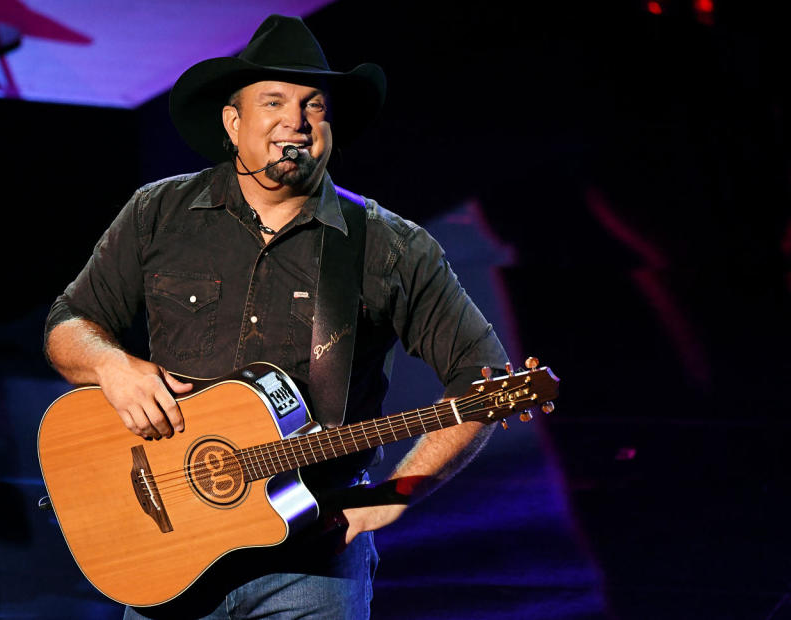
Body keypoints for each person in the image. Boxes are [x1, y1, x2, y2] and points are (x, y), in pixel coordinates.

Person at [44, 14, 507, 619]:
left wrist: (400, 492)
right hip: (166, 555)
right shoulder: (159, 211)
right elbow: (69, 322)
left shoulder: (389, 245)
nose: (295, 121)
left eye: (313, 105)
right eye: (274, 102)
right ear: (233, 122)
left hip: (313, 569)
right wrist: (110, 365)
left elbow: (485, 378)